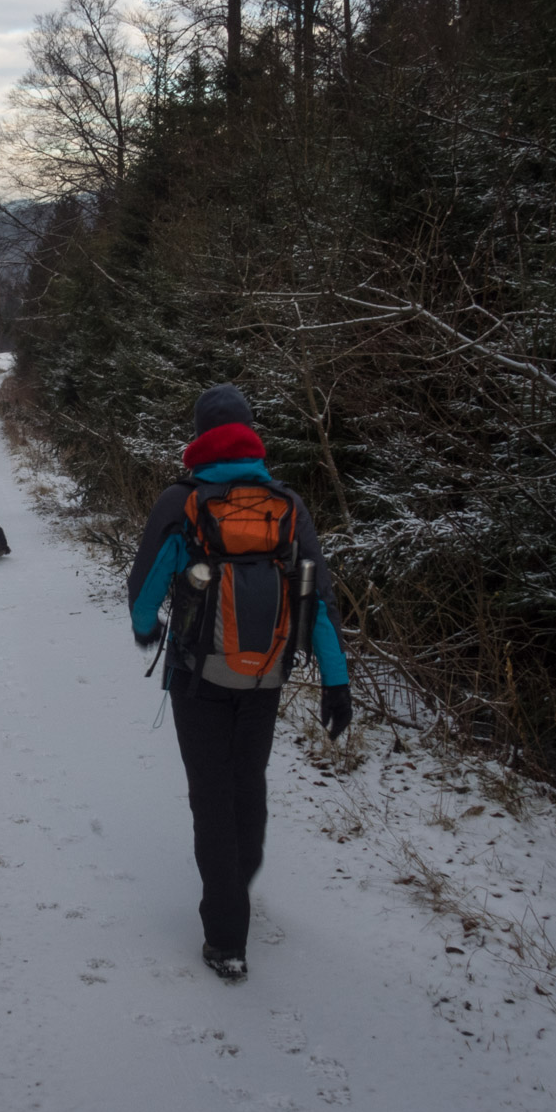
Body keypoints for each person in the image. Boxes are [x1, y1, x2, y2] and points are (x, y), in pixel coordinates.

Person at [126, 384, 351, 983]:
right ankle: (239, 878)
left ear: (200, 436)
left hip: (196, 677)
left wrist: (147, 629)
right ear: (252, 435)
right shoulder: (288, 505)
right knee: (246, 781)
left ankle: (226, 936)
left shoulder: (182, 500)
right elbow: (319, 603)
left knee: (210, 794)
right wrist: (337, 683)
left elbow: (145, 588)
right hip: (266, 677)